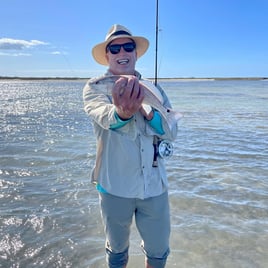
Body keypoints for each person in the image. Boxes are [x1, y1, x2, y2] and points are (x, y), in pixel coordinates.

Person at [83, 24, 178, 268]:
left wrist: (150, 114)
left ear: (136, 53)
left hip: (154, 186)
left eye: (128, 46)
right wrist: (122, 113)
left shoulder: (154, 90)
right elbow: (103, 115)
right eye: (115, 48)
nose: (122, 51)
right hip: (114, 185)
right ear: (107, 55)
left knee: (159, 252)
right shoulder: (95, 86)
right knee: (116, 251)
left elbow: (171, 131)